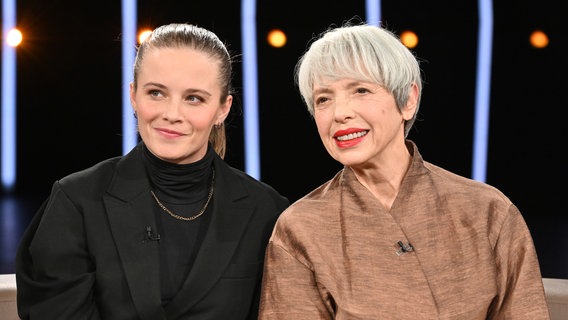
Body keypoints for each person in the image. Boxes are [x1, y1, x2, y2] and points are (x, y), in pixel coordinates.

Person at [258, 22, 550, 319]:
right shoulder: (301, 228)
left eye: (360, 90)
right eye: (323, 99)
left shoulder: (488, 211)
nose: (340, 112)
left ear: (408, 100)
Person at [16, 23, 289, 319]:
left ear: (223, 109)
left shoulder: (267, 211)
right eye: (156, 93)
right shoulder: (75, 203)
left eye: (193, 98)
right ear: (134, 95)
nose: (171, 114)